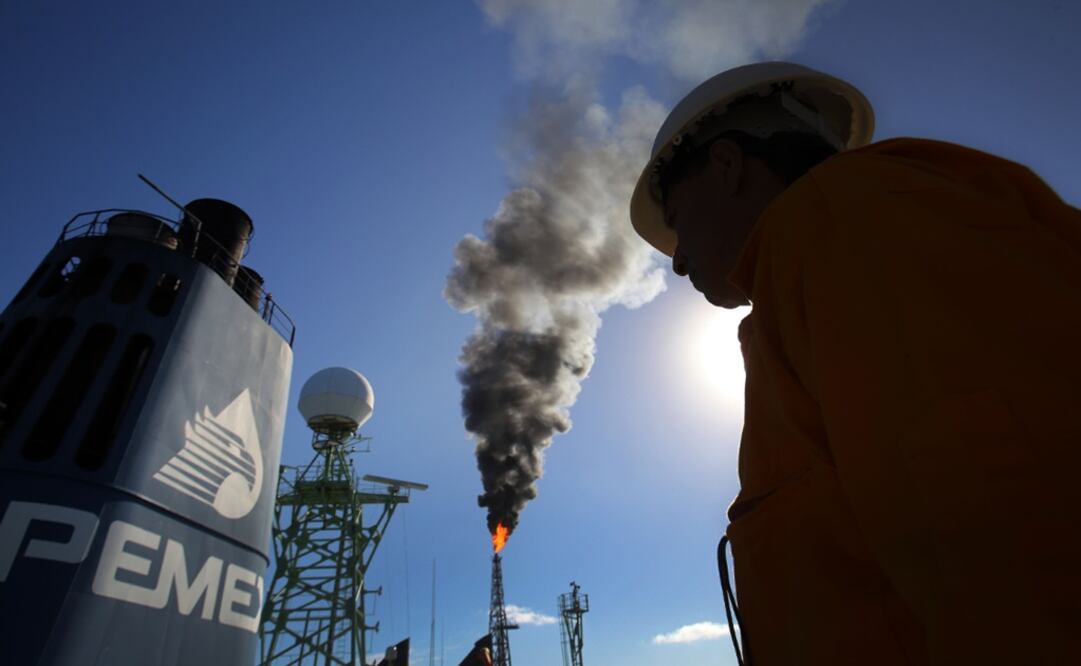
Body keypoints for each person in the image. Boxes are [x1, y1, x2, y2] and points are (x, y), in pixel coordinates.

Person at [629, 62, 1081, 665]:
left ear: (726, 165)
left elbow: (1005, 525)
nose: (679, 261)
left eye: (678, 222)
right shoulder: (818, 270)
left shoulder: (849, 220)